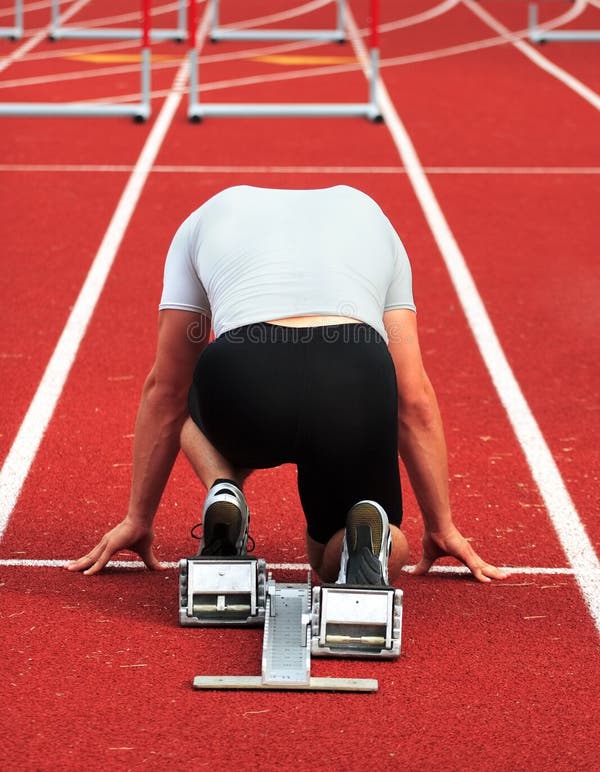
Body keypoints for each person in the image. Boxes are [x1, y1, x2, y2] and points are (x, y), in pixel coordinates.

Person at [67, 185, 507, 586]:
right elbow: (414, 399)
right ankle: (366, 536)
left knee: (185, 395)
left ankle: (224, 490)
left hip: (244, 374)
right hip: (353, 377)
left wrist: (138, 518)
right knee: (329, 558)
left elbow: (165, 389)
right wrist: (441, 525)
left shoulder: (203, 218)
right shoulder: (375, 217)